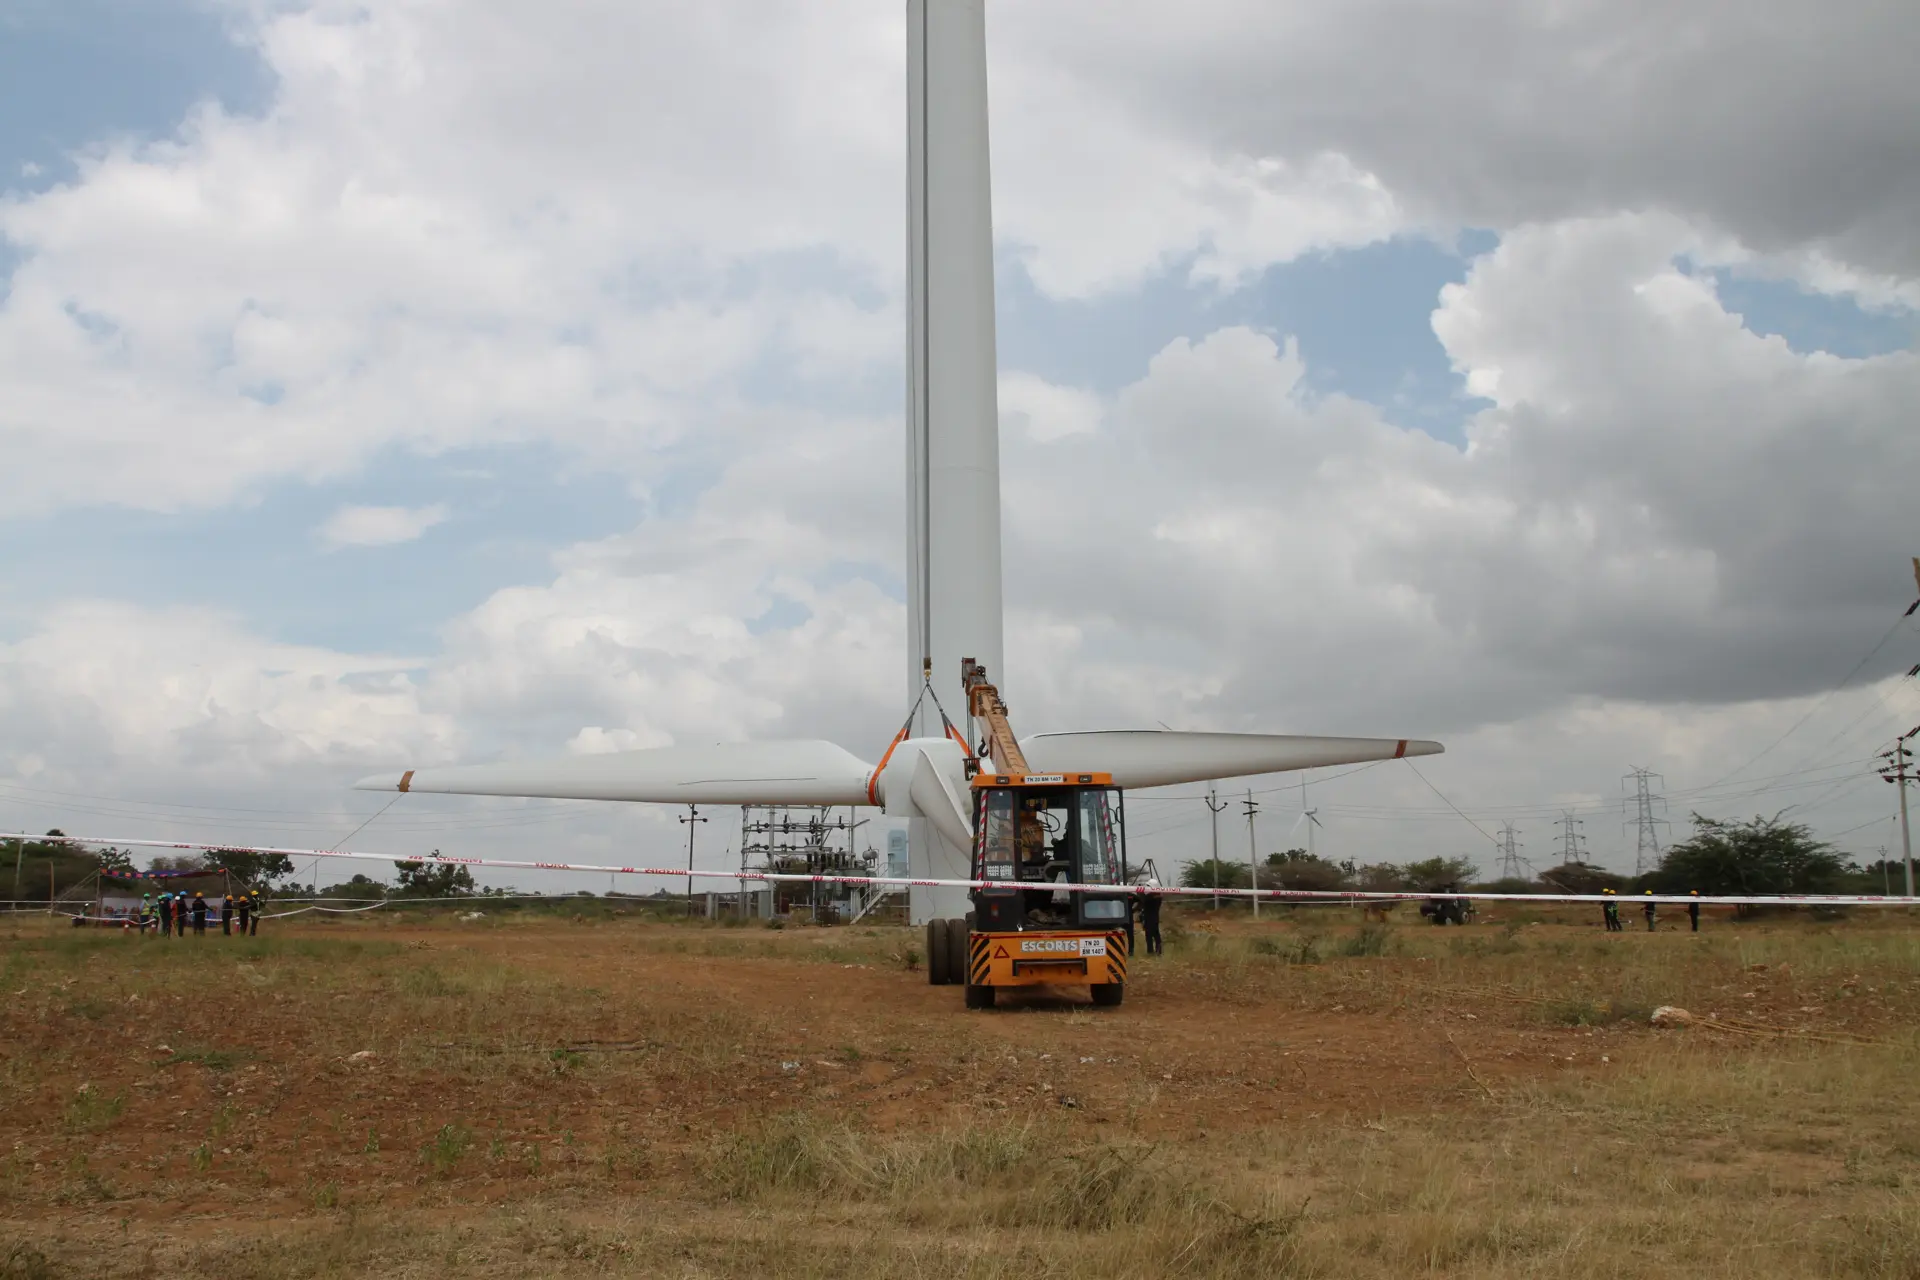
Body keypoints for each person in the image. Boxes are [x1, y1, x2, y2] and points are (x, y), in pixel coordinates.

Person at [1140, 885, 1164, 957]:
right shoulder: (1159, 898)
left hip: (1148, 918)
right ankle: (1158, 951)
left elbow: (1142, 898)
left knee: (1149, 936)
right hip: (1155, 918)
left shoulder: (1148, 898)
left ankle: (1150, 951)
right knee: (1157, 935)